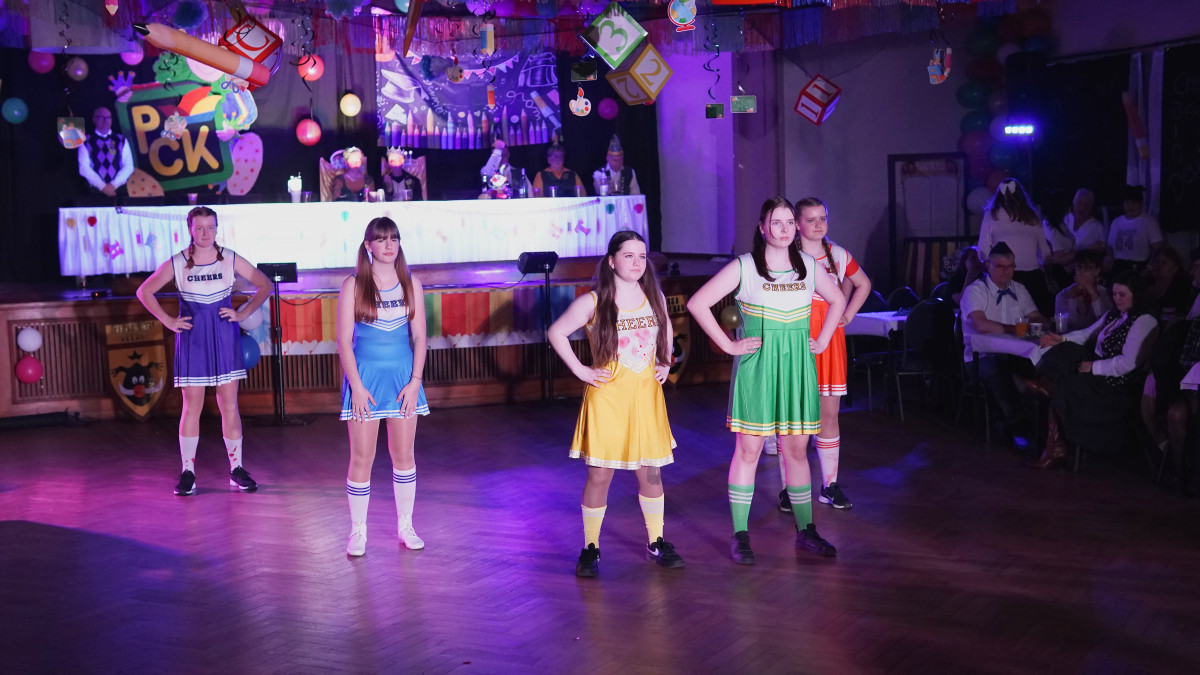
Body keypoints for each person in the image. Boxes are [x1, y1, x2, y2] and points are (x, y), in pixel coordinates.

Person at [687, 197, 846, 564]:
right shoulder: (745, 266)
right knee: (749, 450)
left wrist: (822, 340)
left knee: (796, 452)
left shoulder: (808, 265)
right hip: (757, 366)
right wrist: (728, 345)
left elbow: (837, 301)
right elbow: (698, 303)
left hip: (797, 367)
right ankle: (740, 534)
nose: (785, 229)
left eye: (790, 222)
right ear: (762, 228)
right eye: (777, 222)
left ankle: (805, 530)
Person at [547, 231, 682, 578]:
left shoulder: (654, 297)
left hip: (646, 398)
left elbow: (666, 329)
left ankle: (656, 541)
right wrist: (581, 370)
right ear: (611, 261)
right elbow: (556, 332)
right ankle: (590, 547)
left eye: (642, 256)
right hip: (608, 398)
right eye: (628, 256)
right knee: (599, 474)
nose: (637, 263)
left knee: (650, 472)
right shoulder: (593, 302)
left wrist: (665, 361)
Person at [135, 207, 272, 496]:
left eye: (210, 227)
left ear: (217, 228)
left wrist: (243, 312)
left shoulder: (230, 258)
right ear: (190, 230)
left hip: (224, 338)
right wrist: (167, 320)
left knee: (229, 405)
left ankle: (236, 469)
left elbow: (264, 284)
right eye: (200, 227)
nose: (206, 232)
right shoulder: (178, 262)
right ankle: (188, 472)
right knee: (192, 406)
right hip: (193, 339)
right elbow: (144, 291)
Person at [767, 197, 872, 512]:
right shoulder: (784, 255)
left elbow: (863, 284)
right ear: (797, 224)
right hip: (793, 341)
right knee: (791, 419)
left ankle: (829, 485)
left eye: (822, 218)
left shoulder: (837, 254)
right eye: (810, 219)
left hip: (829, 344)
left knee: (828, 415)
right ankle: (789, 490)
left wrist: (847, 314)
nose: (818, 225)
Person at [338, 217, 429, 557]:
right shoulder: (353, 285)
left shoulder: (411, 282)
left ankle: (406, 525)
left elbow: (420, 337)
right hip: (366, 381)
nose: (389, 245)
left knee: (404, 456)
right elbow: (344, 342)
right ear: (368, 245)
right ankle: (357, 531)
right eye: (381, 239)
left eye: (394, 238)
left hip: (404, 380)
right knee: (362, 457)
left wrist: (415, 381)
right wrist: (357, 387)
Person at [1032, 271, 1157, 469]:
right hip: (1097, 371)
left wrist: (1093, 367)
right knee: (1065, 349)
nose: (1117, 299)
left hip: (1114, 384)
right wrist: (1061, 338)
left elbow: (1128, 363)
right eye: (1114, 294)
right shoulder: (1115, 314)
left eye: (1122, 295)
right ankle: (1056, 441)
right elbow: (1087, 334)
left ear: (1136, 295)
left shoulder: (1144, 320)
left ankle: (1054, 444)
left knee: (1064, 382)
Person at [961, 241, 1047, 441]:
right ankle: (1019, 424)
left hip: (1015, 353)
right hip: (980, 357)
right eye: (1000, 266)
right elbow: (981, 325)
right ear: (988, 266)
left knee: (1040, 366)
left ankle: (1042, 423)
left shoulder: (1019, 289)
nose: (1006, 272)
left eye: (1010, 266)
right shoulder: (975, 291)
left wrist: (1036, 325)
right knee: (998, 369)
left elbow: (1037, 318)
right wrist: (1017, 330)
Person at [976, 178, 1052, 314]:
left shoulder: (992, 215)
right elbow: (1045, 253)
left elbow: (983, 250)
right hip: (1033, 276)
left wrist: (989, 264)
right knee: (1036, 320)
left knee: (1006, 320)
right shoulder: (1033, 216)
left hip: (1003, 274)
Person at [78, 106, 134, 198]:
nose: (106, 120)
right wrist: (103, 187)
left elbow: (129, 166)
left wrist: (113, 185)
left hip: (118, 190)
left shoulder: (121, 139)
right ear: (94, 119)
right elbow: (84, 168)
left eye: (108, 117)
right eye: (102, 118)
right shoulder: (85, 141)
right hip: (95, 192)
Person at [1107, 184, 1162, 276]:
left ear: (1140, 203)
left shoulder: (1149, 222)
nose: (1130, 206)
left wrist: (1149, 267)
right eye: (1127, 202)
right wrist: (1108, 257)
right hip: (1118, 266)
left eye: (1133, 202)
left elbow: (1158, 248)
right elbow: (1110, 246)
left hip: (1138, 266)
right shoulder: (1116, 222)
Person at [1054, 249, 1113, 333]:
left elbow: (1106, 323)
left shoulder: (1106, 293)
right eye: (1079, 267)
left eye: (1087, 268)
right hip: (1070, 338)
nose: (1081, 272)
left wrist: (1093, 295)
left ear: (1097, 271)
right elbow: (1069, 325)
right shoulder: (1063, 295)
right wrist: (1072, 298)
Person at [1144, 246, 1192, 321]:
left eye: (1164, 262)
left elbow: (1181, 315)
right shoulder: (1144, 284)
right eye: (1157, 261)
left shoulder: (1181, 288)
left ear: (1174, 269)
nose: (1158, 265)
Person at [1065, 188, 1107, 253]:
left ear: (1091, 207)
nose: (1082, 207)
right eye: (1079, 203)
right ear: (1074, 204)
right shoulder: (1066, 219)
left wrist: (1082, 250)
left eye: (1086, 205)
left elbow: (1102, 246)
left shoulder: (1098, 227)